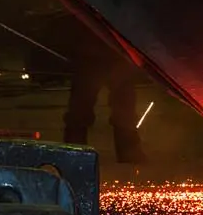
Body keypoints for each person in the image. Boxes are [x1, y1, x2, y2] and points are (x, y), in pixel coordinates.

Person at [62, 32, 146, 163]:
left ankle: (129, 152)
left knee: (123, 107)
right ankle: (75, 152)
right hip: (92, 53)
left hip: (115, 52)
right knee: (80, 107)